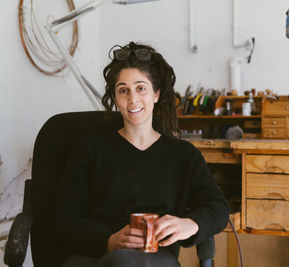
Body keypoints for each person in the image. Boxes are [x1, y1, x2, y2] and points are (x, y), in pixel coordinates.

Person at [54, 41, 229, 267]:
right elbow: (65, 219)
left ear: (156, 94)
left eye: (141, 88)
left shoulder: (182, 155)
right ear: (116, 98)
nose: (133, 99)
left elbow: (218, 207)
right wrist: (108, 240)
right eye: (123, 90)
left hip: (155, 261)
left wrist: (191, 223)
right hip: (93, 258)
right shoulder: (90, 150)